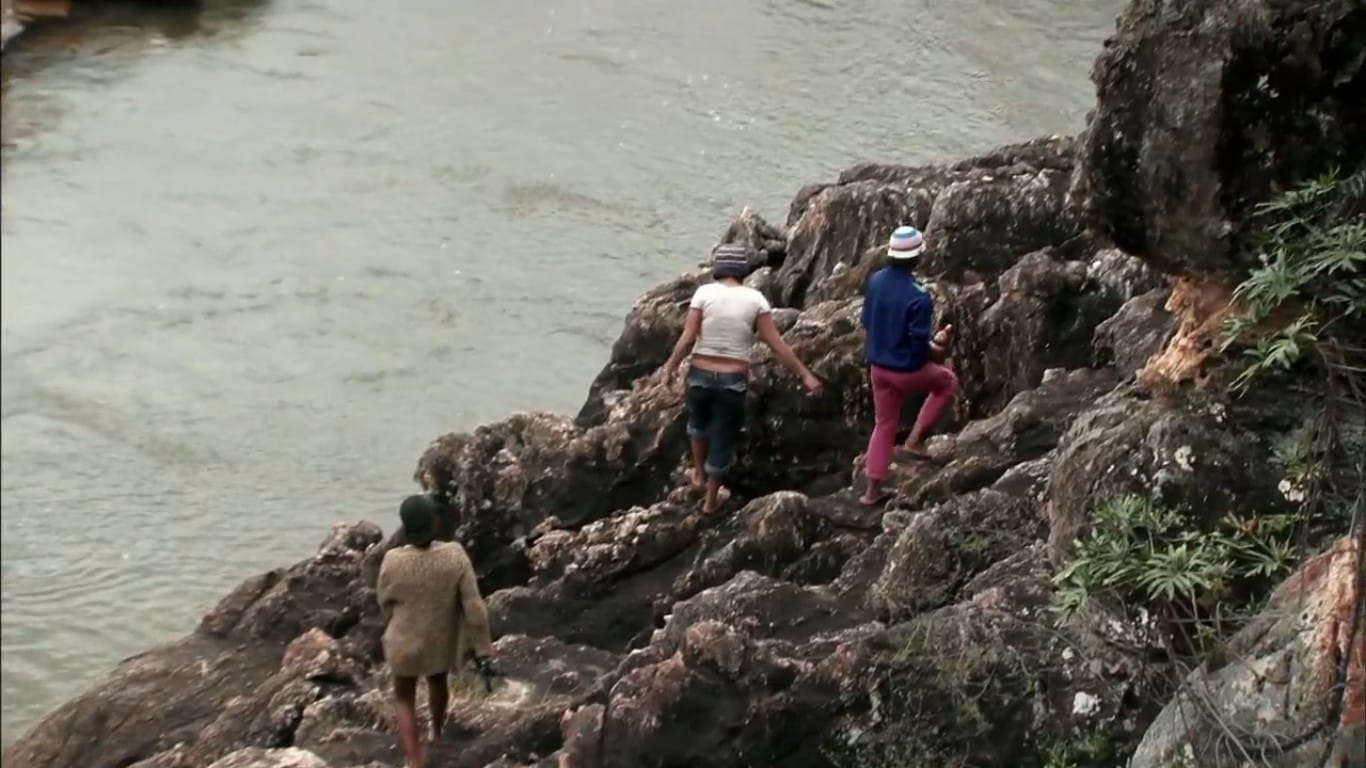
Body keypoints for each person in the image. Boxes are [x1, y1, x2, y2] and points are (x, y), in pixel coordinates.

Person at [659, 243, 823, 515]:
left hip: (700, 373)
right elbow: (776, 344)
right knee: (723, 434)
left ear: (718, 269)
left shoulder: (703, 293)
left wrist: (669, 368)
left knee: (698, 425)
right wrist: (805, 375)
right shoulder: (755, 300)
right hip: (732, 378)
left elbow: (687, 338)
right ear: (743, 271)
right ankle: (711, 500)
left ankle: (698, 475)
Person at [377, 494, 495, 768]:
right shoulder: (455, 555)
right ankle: (436, 733)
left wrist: (393, 622)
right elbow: (474, 607)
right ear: (433, 524)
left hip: (403, 641)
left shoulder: (392, 560)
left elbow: (384, 602)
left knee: (404, 696)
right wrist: (483, 649)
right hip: (439, 642)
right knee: (437, 682)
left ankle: (415, 759)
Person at [858, 225, 957, 507]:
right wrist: (938, 347)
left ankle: (871, 491)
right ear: (917, 258)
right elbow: (917, 346)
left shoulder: (876, 281)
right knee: (947, 382)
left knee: (884, 424)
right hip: (906, 370)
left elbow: (866, 322)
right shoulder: (918, 295)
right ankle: (914, 441)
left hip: (878, 368)